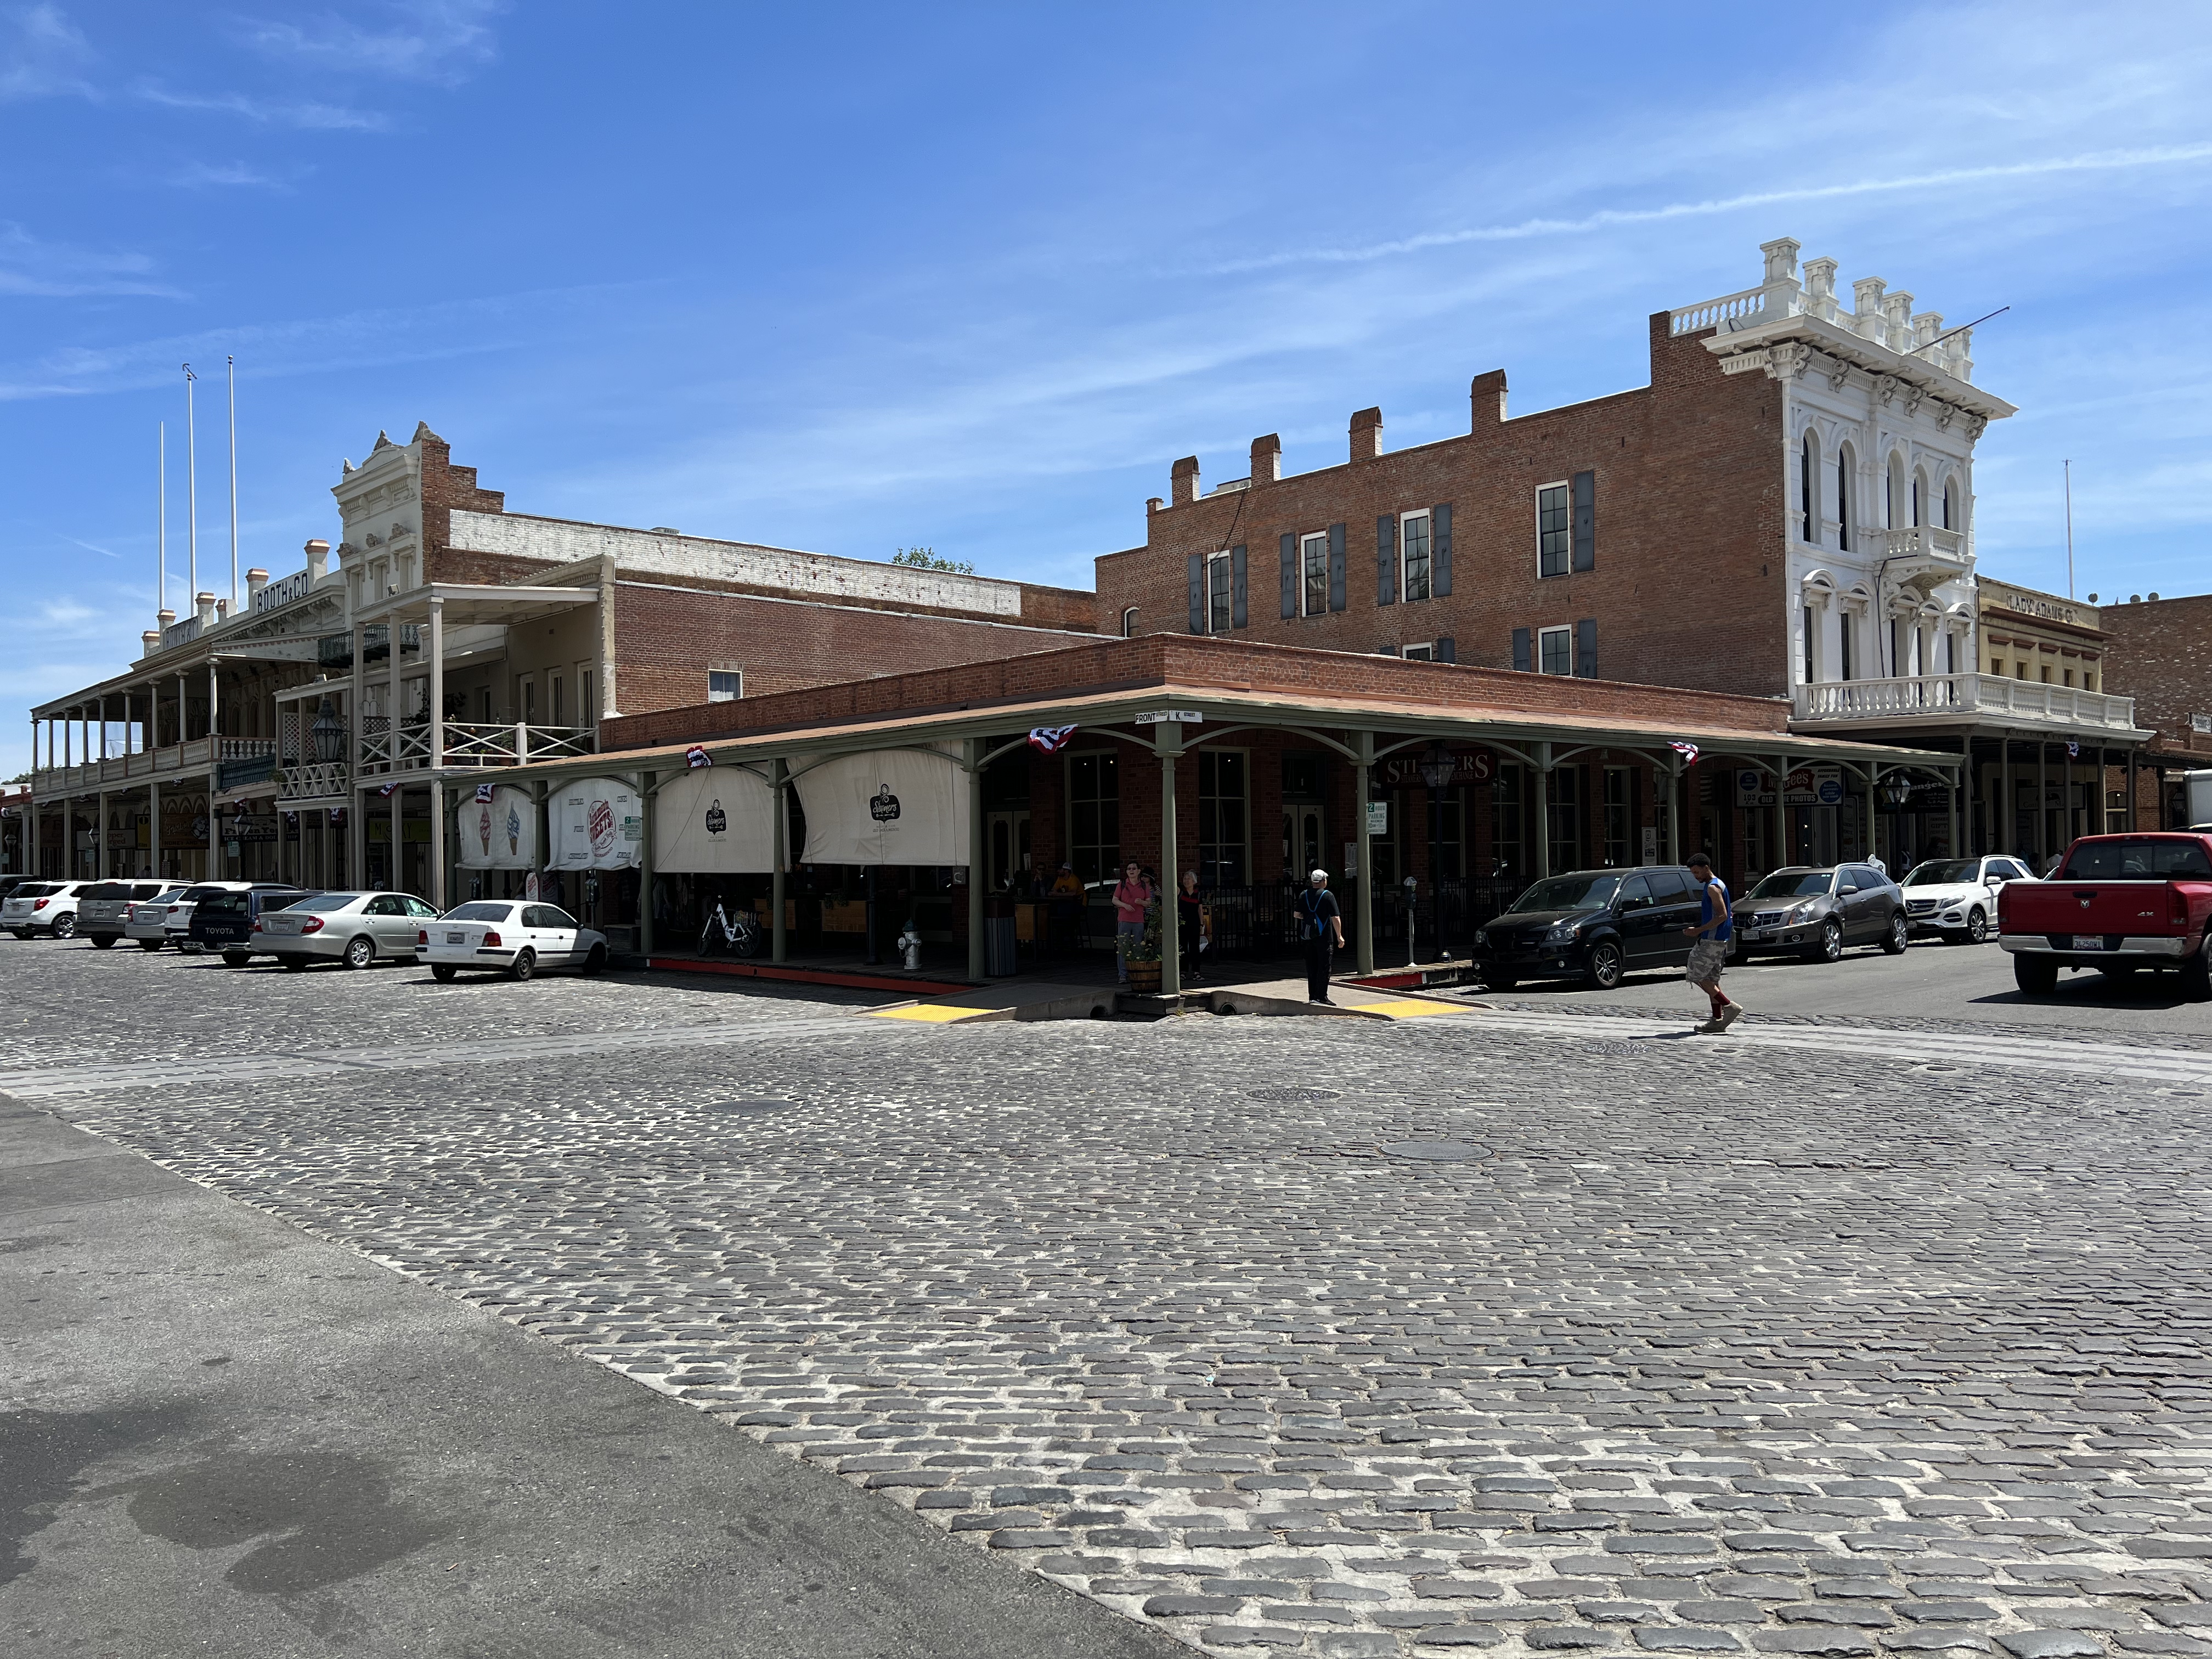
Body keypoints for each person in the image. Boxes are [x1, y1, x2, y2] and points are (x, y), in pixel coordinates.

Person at [1680, 851, 1743, 1034]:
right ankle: (1717, 1020)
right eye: (1693, 873)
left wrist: (1697, 931)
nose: (1695, 876)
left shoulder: (1712, 888)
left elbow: (1722, 915)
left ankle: (1728, 1007)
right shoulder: (1719, 884)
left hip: (1711, 940)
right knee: (1711, 979)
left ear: (1706, 868)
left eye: (1697, 872)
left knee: (1696, 975)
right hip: (1719, 940)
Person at [1299, 868, 1344, 1005]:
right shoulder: (1327, 895)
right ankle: (1322, 997)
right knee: (1324, 967)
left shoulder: (1304, 894)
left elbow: (1297, 914)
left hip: (1307, 938)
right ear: (1323, 881)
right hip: (1324, 938)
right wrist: (1339, 936)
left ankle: (1312, 997)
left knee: (1311, 967)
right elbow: (1335, 917)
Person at [1111, 860, 1153, 984]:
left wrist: (1142, 902)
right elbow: (1114, 900)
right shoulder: (1122, 884)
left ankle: (1137, 973)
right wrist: (1125, 906)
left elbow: (1149, 902)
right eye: (1129, 869)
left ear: (1139, 871)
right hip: (1124, 919)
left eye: (1134, 868)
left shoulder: (1144, 886)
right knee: (1123, 947)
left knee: (1138, 947)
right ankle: (1123, 975)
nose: (1131, 870)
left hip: (1139, 920)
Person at [1048, 861, 1085, 954]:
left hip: (1079, 905)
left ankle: (1066, 937)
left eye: (1060, 870)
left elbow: (1073, 893)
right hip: (1067, 905)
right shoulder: (1060, 879)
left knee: (1062, 910)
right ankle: (1061, 937)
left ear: (1066, 871)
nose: (1058, 871)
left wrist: (1058, 894)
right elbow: (1053, 891)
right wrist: (1054, 893)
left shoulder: (1073, 879)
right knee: (1054, 909)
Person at [1177, 869, 1205, 984]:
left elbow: (1200, 910)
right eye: (1184, 878)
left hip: (1194, 923)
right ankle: (1183, 972)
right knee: (1182, 947)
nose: (1186, 881)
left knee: (1195, 948)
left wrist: (1202, 924)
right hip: (1182, 923)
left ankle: (1196, 972)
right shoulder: (1181, 892)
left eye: (1188, 879)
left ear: (1194, 881)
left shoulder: (1198, 894)